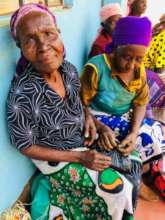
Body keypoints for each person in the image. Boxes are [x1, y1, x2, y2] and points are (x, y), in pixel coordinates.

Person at [7, 4, 142, 220]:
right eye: (30, 40)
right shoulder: (22, 94)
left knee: (132, 156)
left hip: (81, 141)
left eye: (49, 34)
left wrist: (96, 123)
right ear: (20, 47)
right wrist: (79, 158)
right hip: (57, 157)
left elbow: (79, 103)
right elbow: (25, 146)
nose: (43, 46)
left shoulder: (68, 70)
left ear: (59, 34)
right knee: (117, 191)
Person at [80, 16, 165, 201]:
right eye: (127, 57)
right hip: (97, 115)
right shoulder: (95, 68)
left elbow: (141, 102)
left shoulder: (138, 71)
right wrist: (101, 128)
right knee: (116, 138)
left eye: (139, 59)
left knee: (156, 131)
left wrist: (134, 132)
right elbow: (81, 104)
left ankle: (146, 170)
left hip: (125, 115)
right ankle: (136, 179)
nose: (132, 65)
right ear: (116, 46)